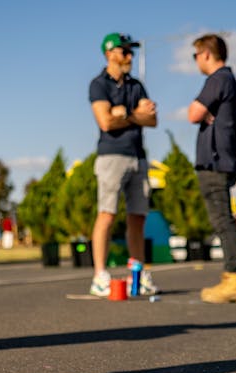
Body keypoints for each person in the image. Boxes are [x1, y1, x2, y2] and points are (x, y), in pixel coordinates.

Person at [87, 32, 158, 297]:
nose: (130, 56)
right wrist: (135, 115)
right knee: (107, 213)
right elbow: (105, 122)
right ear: (110, 53)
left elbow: (151, 120)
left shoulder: (136, 86)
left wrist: (124, 113)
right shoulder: (98, 84)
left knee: (138, 217)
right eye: (125, 51)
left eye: (131, 52)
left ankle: (139, 273)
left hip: (137, 155)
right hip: (111, 156)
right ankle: (100, 275)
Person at [188, 34, 236, 303]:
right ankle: (232, 277)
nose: (196, 61)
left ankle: (233, 280)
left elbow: (193, 114)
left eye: (196, 55)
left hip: (215, 161)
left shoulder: (218, 79)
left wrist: (203, 111)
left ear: (207, 54)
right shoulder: (227, 80)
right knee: (223, 221)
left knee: (222, 221)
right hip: (223, 159)